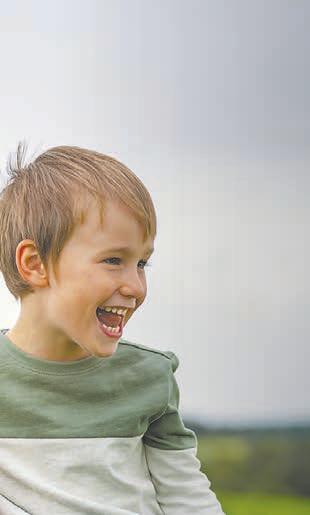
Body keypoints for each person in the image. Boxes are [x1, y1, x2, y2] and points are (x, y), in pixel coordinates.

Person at [0, 144, 224, 514]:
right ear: (35, 263)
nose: (136, 287)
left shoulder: (149, 377)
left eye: (142, 264)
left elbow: (188, 498)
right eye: (114, 260)